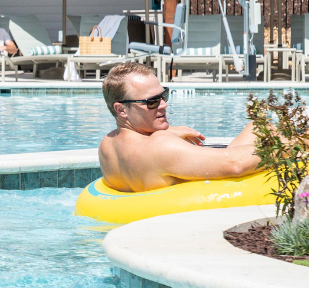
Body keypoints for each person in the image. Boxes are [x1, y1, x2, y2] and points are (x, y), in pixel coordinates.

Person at [98, 62, 260, 192]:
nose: (164, 105)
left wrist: (169, 131)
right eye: (152, 102)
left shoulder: (107, 146)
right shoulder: (160, 145)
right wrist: (284, 146)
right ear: (121, 109)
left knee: (256, 127)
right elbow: (235, 165)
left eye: (164, 95)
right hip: (189, 220)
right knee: (265, 131)